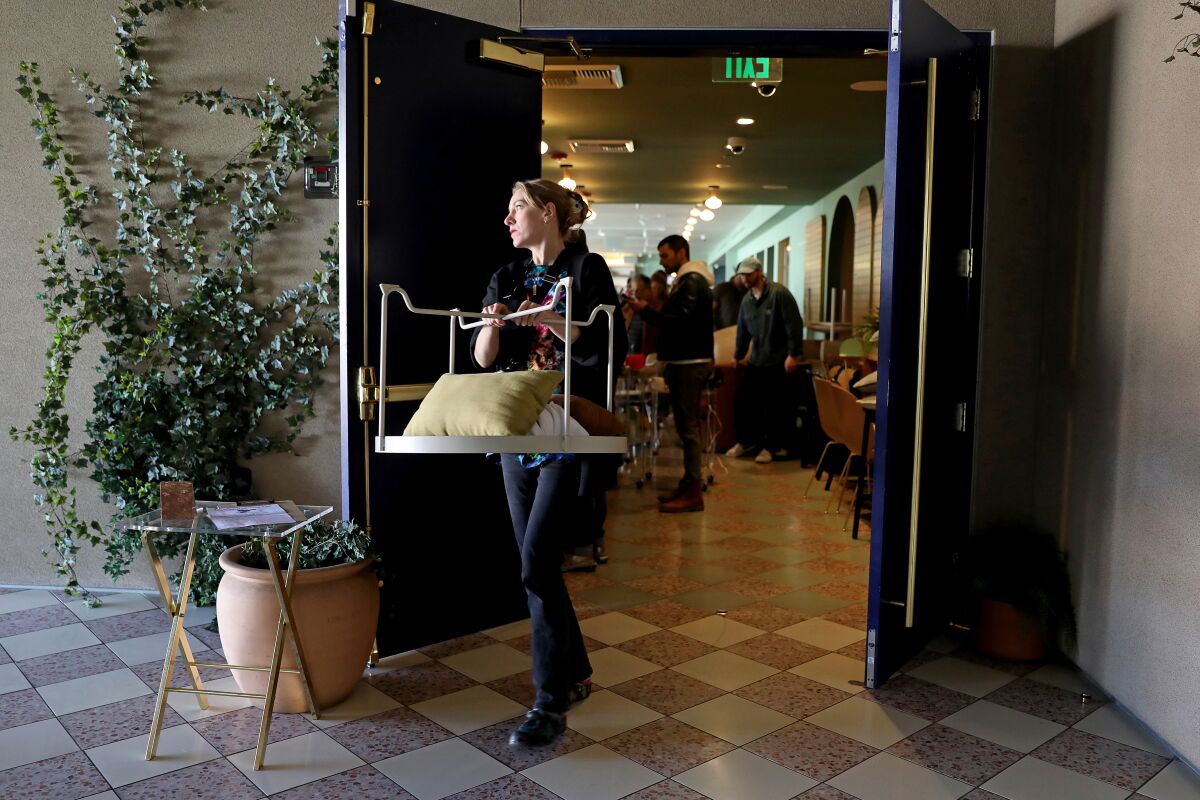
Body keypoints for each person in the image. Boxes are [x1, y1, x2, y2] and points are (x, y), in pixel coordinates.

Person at [471, 178, 623, 747]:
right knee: (537, 565)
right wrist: (493, 325)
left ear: (549, 213)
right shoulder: (507, 278)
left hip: (567, 429)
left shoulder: (587, 272)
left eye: (517, 208)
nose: (507, 219)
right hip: (517, 432)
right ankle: (575, 671)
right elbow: (484, 359)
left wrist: (540, 316)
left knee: (536, 562)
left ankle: (548, 701)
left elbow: (600, 344)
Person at [627, 235, 714, 512]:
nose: (662, 261)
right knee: (685, 425)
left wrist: (647, 312)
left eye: (665, 256)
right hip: (685, 362)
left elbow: (681, 324)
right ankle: (688, 483)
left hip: (689, 363)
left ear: (681, 253)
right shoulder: (688, 280)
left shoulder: (692, 281)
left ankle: (692, 491)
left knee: (687, 428)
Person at [727, 256, 805, 464]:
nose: (744, 278)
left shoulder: (779, 294)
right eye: (742, 274)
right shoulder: (747, 300)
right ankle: (746, 442)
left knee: (773, 407)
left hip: (778, 360)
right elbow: (742, 332)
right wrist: (737, 355)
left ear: (759, 273)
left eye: (748, 274)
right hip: (757, 360)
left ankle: (770, 447)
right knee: (742, 400)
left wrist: (793, 354)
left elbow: (794, 325)